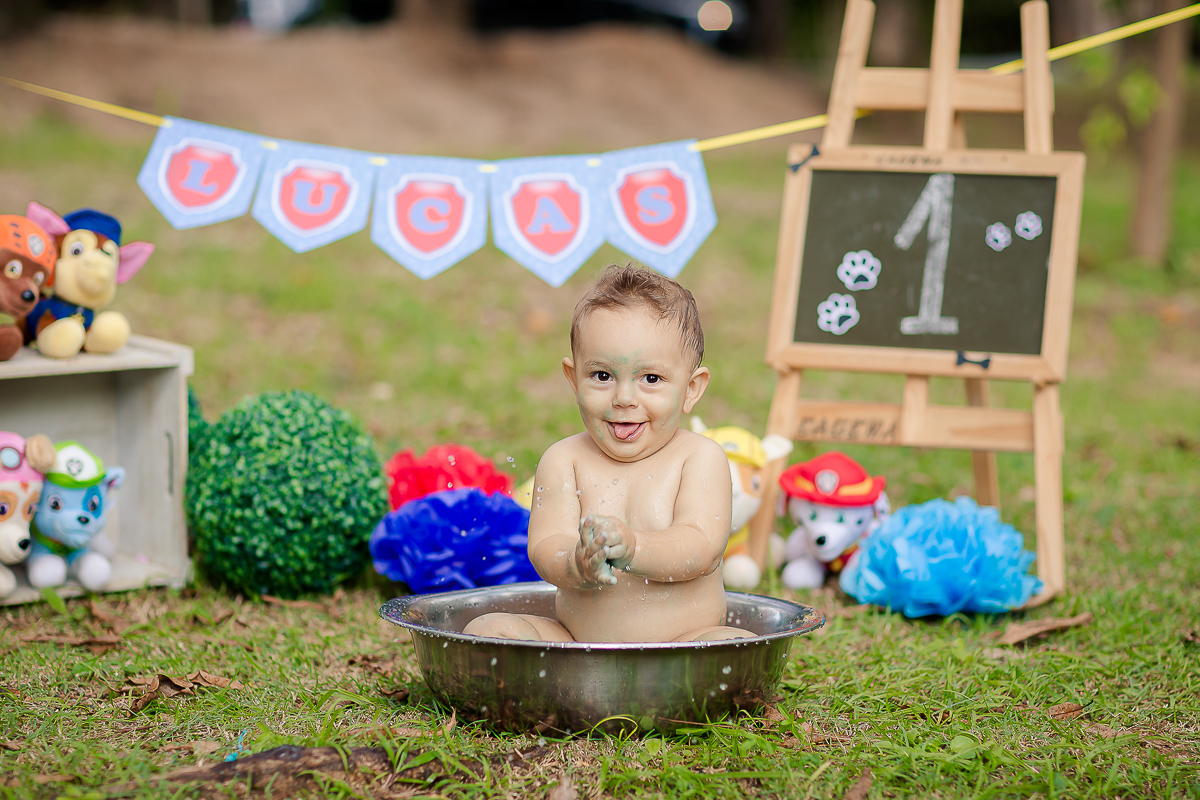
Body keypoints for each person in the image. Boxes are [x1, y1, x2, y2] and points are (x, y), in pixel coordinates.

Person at [464, 264, 752, 643]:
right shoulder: (564, 461)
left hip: (683, 648)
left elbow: (701, 548)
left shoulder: (699, 458)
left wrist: (636, 548)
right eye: (602, 376)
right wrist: (575, 564)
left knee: (731, 644)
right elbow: (546, 546)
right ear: (573, 378)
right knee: (487, 629)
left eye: (651, 378)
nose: (624, 398)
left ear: (692, 388)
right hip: (577, 647)